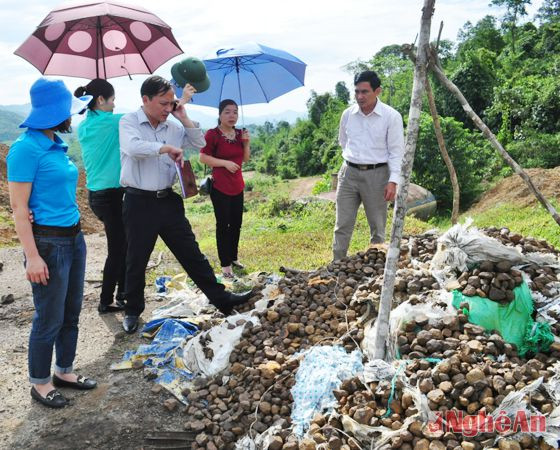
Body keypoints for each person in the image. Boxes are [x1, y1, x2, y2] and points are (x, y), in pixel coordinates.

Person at [119, 76, 251, 333]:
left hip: (167, 199)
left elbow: (201, 143)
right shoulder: (129, 121)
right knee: (136, 258)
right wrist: (166, 148)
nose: (168, 109)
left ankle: (222, 300)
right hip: (138, 200)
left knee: (191, 253)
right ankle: (132, 310)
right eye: (163, 104)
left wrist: (183, 115)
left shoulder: (173, 124)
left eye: (171, 103)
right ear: (145, 100)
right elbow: (133, 148)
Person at [7, 78, 97, 409]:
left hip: (73, 238)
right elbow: (18, 208)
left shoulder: (55, 143)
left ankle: (64, 371)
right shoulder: (25, 148)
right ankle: (40, 382)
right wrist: (32, 257)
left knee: (72, 311)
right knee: (49, 316)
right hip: (48, 244)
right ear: (56, 113)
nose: (73, 116)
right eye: (69, 111)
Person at [333, 70, 405, 261]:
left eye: (365, 92)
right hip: (348, 173)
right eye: (357, 91)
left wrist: (393, 181)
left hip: (377, 174)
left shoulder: (391, 116)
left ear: (377, 91)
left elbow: (396, 152)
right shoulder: (348, 114)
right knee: (343, 224)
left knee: (377, 226)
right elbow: (343, 141)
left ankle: (376, 268)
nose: (360, 96)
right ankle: (337, 264)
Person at [74, 79, 127, 314]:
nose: (115, 105)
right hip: (111, 197)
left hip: (96, 196)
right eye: (112, 99)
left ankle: (123, 295)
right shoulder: (111, 122)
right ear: (101, 100)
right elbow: (142, 116)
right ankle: (106, 301)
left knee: (123, 244)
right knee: (118, 248)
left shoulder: (84, 125)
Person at [200, 99, 250, 278]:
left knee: (236, 224)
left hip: (238, 185)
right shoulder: (212, 134)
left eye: (235, 112)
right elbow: (203, 157)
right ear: (220, 115)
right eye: (227, 112)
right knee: (223, 225)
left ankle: (234, 257)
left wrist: (245, 143)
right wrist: (225, 163)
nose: (232, 115)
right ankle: (225, 265)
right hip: (220, 186)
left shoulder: (240, 134)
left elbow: (245, 159)